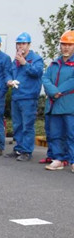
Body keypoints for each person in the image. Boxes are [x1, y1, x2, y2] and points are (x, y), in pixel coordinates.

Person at [4, 32, 44, 162]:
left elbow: (37, 72)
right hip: (16, 96)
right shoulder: (15, 60)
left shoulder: (36, 59)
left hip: (29, 97)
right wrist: (9, 81)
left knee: (27, 125)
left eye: (23, 43)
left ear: (29, 45)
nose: (21, 46)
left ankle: (26, 151)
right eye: (19, 43)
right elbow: (8, 73)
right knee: (17, 125)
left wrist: (24, 63)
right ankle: (19, 148)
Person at [42, 31, 74, 172]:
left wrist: (58, 91)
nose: (66, 48)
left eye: (69, 45)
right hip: (54, 105)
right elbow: (45, 78)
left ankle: (73, 160)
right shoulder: (55, 63)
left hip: (69, 105)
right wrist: (53, 91)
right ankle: (58, 159)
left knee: (71, 134)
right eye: (63, 44)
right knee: (55, 134)